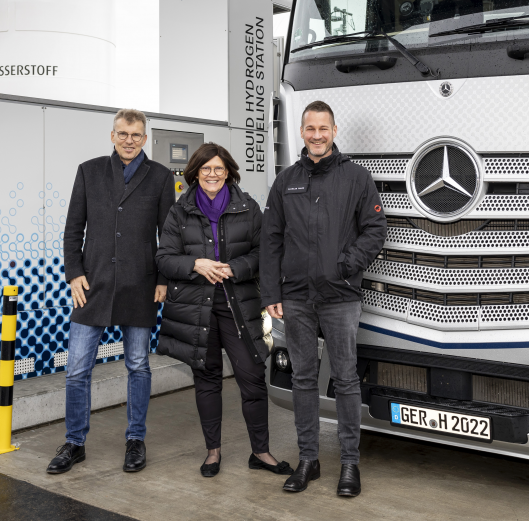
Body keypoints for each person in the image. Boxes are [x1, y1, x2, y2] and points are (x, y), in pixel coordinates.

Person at [260, 100, 387, 498]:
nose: (317, 135)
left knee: (346, 380)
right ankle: (308, 460)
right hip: (295, 297)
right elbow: (271, 240)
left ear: (334, 131)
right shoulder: (286, 182)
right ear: (302, 132)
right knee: (301, 379)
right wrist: (270, 293)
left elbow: (375, 229)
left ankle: (349, 463)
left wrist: (346, 265)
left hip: (340, 297)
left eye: (324, 128)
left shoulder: (357, 178)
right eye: (310, 128)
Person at [47, 109, 175, 475]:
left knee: (137, 365)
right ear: (112, 135)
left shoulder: (161, 178)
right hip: (93, 286)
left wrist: (164, 280)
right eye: (123, 134)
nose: (129, 140)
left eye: (136, 135)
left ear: (145, 138)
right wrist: (74, 274)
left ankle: (135, 440)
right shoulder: (89, 171)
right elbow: (73, 230)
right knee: (76, 369)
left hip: (141, 285)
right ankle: (74, 443)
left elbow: (168, 238)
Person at [156, 143, 292, 478]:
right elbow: (164, 258)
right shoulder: (180, 211)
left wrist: (235, 267)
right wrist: (196, 264)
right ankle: (213, 452)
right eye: (205, 169)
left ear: (228, 171)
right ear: (195, 173)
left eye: (218, 169)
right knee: (207, 378)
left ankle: (260, 452)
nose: (212, 175)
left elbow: (266, 252)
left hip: (238, 305)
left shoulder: (248, 207)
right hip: (195, 307)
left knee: (252, 378)